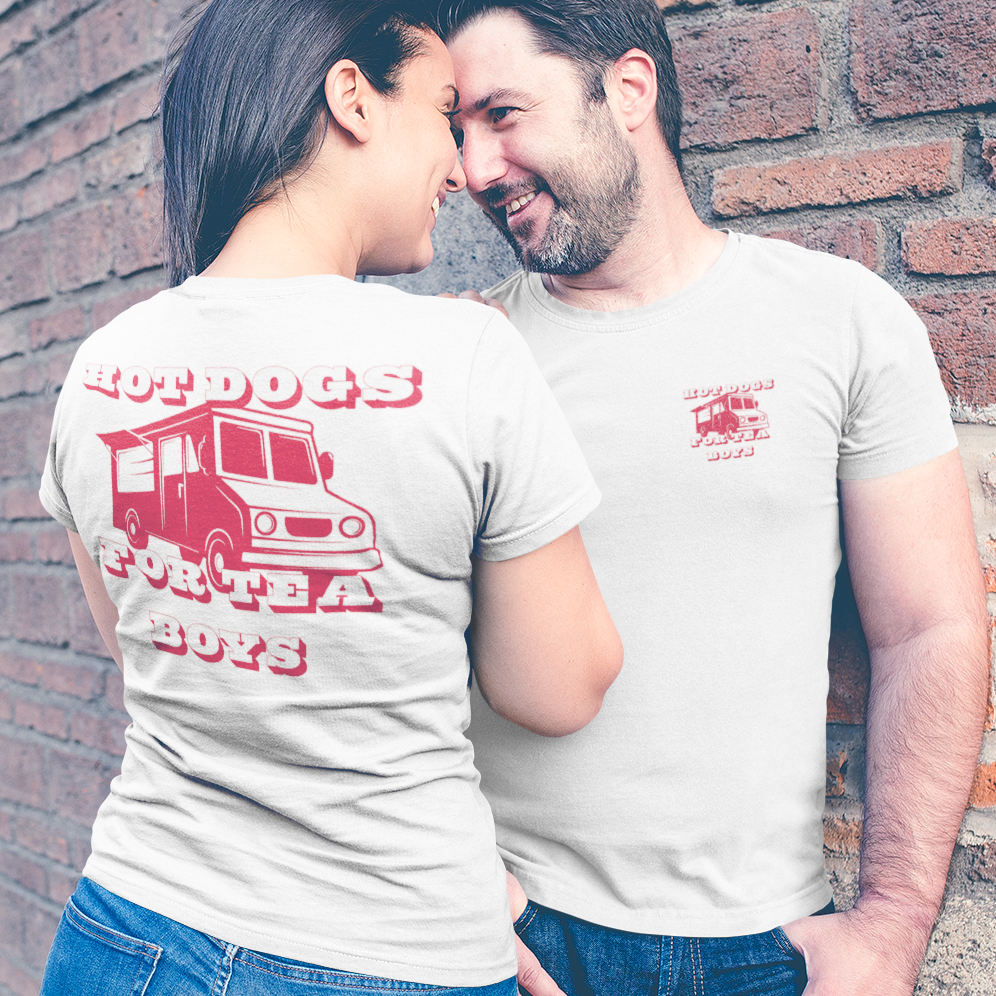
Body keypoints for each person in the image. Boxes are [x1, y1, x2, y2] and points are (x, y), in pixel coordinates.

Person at [36, 2, 623, 994]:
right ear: (352, 97)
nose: (459, 167)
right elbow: (558, 687)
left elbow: (151, 654)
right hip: (389, 950)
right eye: (442, 111)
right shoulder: (464, 355)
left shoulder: (103, 367)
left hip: (128, 930)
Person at [436, 1, 991, 994]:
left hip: (762, 948)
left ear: (628, 89)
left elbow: (930, 627)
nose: (475, 170)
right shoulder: (460, 354)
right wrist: (457, 887)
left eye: (502, 115)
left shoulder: (839, 320)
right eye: (456, 132)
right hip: (506, 933)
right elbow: (384, 657)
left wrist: (895, 924)